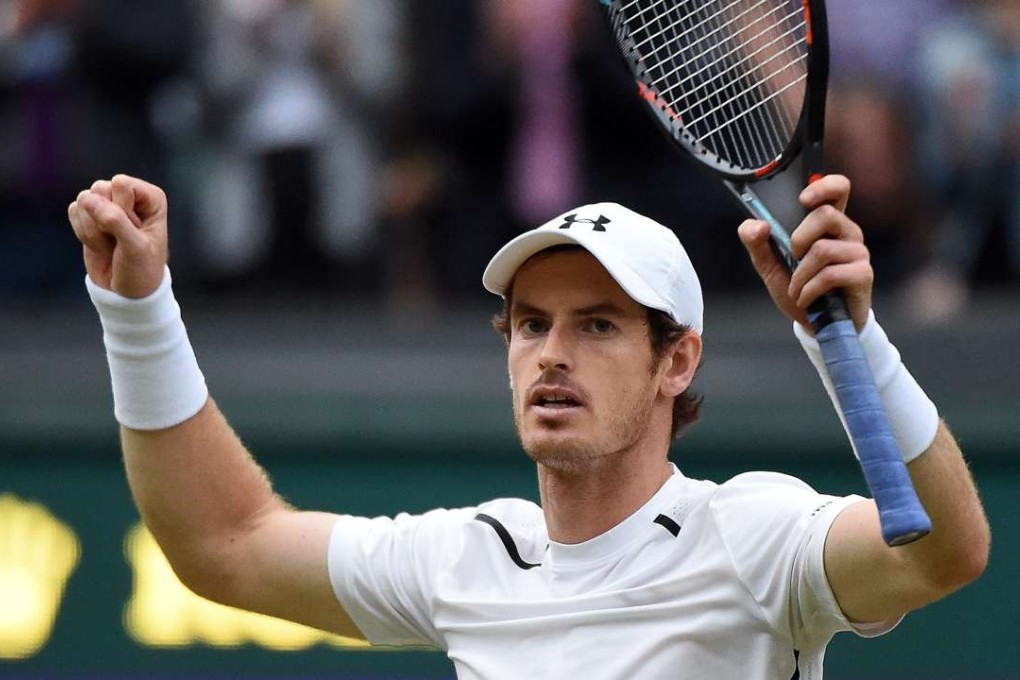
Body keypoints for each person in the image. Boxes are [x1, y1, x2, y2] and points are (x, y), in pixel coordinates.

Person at [67, 173, 989, 679]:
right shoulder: (466, 559)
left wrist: (855, 345)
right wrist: (138, 311)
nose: (552, 354)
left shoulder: (754, 537)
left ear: (677, 361)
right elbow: (223, 542)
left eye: (596, 325)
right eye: (532, 325)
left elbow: (942, 553)